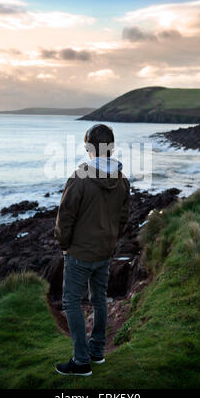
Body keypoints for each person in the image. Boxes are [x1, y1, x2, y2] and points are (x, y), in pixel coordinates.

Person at [54, 124, 130, 376]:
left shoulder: (79, 178)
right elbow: (123, 218)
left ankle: (81, 360)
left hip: (80, 253)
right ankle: (96, 352)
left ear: (88, 148)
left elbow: (65, 218)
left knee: (71, 301)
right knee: (99, 300)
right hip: (105, 252)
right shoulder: (122, 180)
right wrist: (111, 240)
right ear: (112, 148)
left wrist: (64, 245)